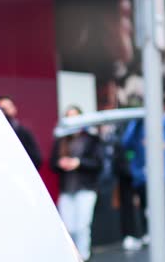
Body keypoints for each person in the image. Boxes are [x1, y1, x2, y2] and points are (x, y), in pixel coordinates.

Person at [121, 109, 165, 243]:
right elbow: (126, 143)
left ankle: (162, 232)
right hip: (143, 177)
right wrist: (136, 123)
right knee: (146, 207)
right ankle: (148, 233)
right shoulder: (138, 126)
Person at [50, 105, 103, 261]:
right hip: (67, 189)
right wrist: (62, 163)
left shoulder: (92, 140)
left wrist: (78, 163)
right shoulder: (61, 141)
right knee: (68, 228)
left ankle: (83, 256)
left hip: (85, 188)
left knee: (82, 226)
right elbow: (52, 163)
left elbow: (98, 164)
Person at [0, 96, 42, 169]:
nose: (5, 111)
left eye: (8, 107)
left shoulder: (24, 133)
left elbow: (36, 158)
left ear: (14, 109)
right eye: (2, 109)